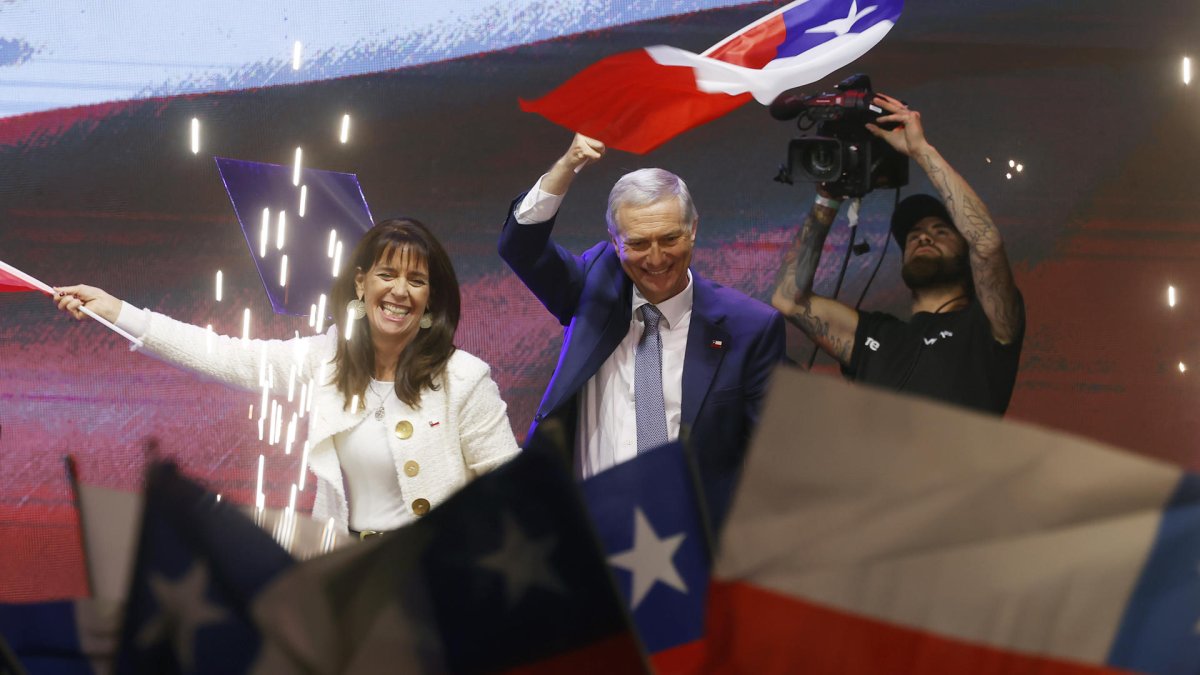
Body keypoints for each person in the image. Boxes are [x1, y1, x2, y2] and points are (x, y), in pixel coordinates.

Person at [55, 218, 519, 536]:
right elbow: (222, 354)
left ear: (430, 298)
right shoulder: (324, 360)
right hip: (345, 581)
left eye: (416, 280)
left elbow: (511, 490)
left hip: (439, 588)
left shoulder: (465, 378)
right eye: (387, 274)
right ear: (361, 283)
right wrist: (118, 312)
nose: (399, 291)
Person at [499, 133, 786, 530]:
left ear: (694, 229)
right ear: (615, 243)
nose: (655, 259)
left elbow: (775, 457)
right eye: (637, 243)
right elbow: (521, 248)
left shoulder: (749, 328)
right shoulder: (591, 290)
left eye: (670, 239)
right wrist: (565, 167)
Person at [771, 93, 1024, 414]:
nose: (923, 238)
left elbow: (986, 243)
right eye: (914, 236)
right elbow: (788, 300)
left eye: (940, 231)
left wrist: (921, 151)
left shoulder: (985, 326)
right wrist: (827, 200)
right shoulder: (877, 336)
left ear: (964, 253)